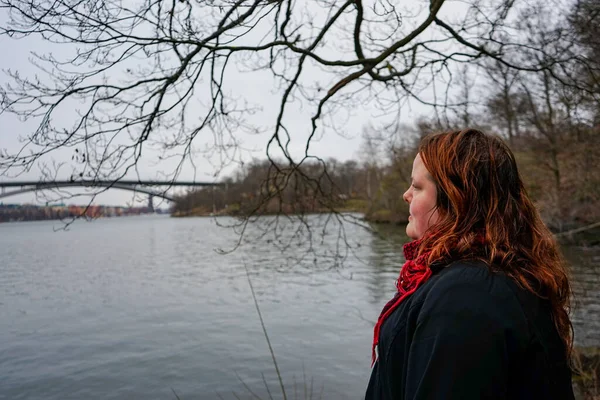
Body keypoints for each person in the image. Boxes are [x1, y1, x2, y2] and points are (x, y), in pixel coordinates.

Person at [365, 129, 575, 399]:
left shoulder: (467, 294)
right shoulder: (486, 276)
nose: (406, 195)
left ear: (456, 199)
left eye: (417, 187)